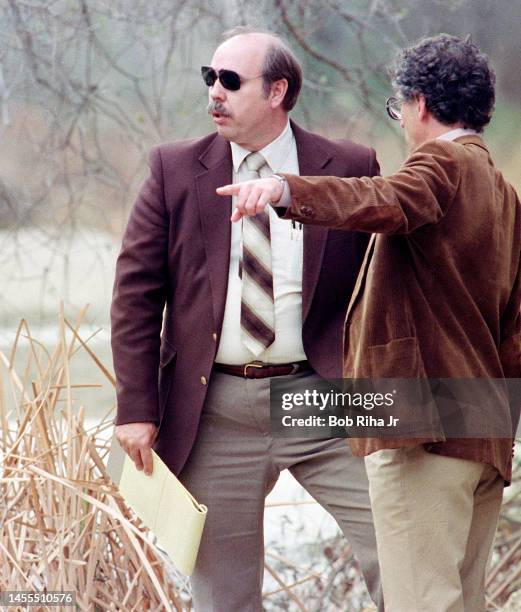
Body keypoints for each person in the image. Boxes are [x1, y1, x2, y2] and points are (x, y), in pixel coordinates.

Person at [217, 33, 521, 612]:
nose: (401, 121)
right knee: (461, 600)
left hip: (422, 423)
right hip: (485, 425)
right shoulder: (502, 190)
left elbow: (384, 199)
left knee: (420, 603)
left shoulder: (441, 163)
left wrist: (284, 189)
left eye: (398, 107)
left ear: (421, 106)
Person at [111, 27, 384, 611]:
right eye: (209, 78)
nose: (215, 92)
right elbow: (135, 294)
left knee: (397, 549)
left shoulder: (352, 164)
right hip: (216, 409)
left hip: (324, 395)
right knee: (224, 596)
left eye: (231, 81)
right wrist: (136, 408)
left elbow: (383, 284)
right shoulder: (173, 169)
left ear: (278, 90)